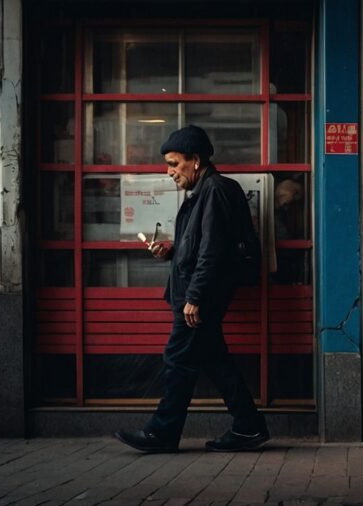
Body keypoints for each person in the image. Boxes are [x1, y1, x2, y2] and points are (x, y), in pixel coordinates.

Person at [115, 125, 269, 453]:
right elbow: (201, 246)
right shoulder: (205, 192)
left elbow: (213, 250)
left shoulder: (215, 190)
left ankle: (162, 432)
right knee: (214, 358)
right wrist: (171, 251)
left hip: (201, 295)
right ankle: (249, 426)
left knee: (177, 358)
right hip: (200, 291)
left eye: (174, 163)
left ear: (195, 160)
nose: (169, 172)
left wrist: (195, 296)